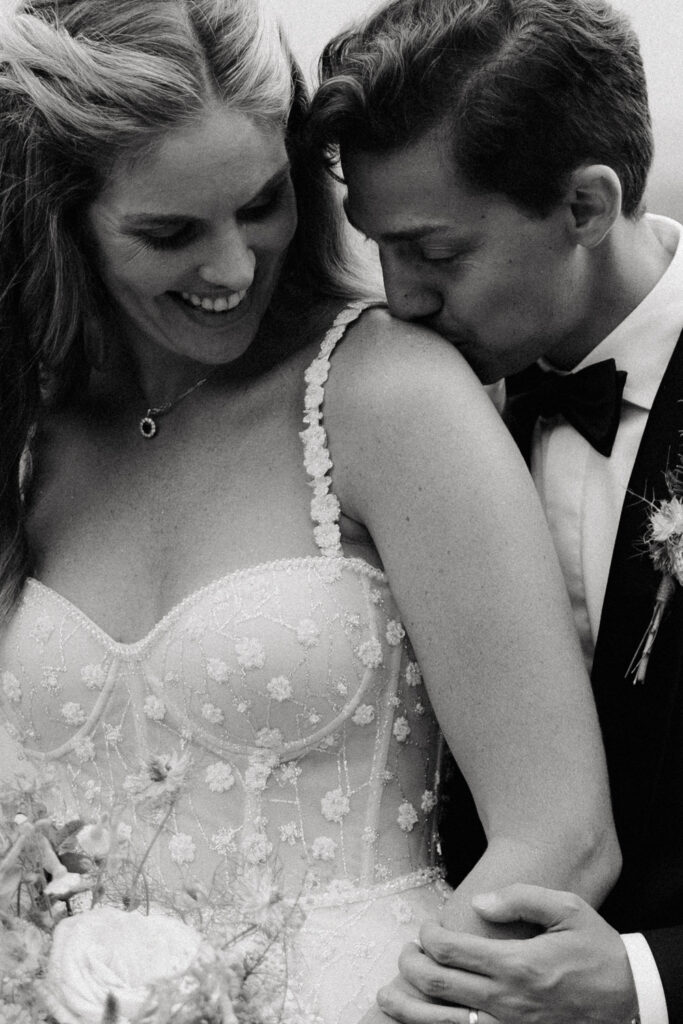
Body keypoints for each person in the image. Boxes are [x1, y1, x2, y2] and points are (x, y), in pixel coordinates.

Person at [0, 1, 619, 1022]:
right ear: (57, 220)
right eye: (170, 232)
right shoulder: (25, 431)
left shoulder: (388, 394)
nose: (235, 267)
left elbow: (558, 828)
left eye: (260, 205)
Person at [308, 0, 683, 1021]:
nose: (401, 299)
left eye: (434, 252)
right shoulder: (395, 421)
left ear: (585, 205)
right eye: (380, 249)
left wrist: (646, 981)